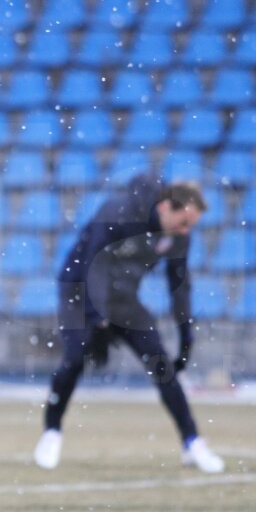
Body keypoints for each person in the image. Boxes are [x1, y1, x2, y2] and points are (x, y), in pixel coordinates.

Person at [33, 173, 224, 474]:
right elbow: (92, 263)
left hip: (123, 297)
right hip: (80, 290)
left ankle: (192, 442)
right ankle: (52, 431)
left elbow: (180, 285)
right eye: (183, 222)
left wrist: (186, 336)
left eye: (191, 226)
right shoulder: (118, 211)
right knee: (74, 359)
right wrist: (97, 320)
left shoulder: (178, 237)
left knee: (162, 365)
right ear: (165, 207)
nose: (185, 231)